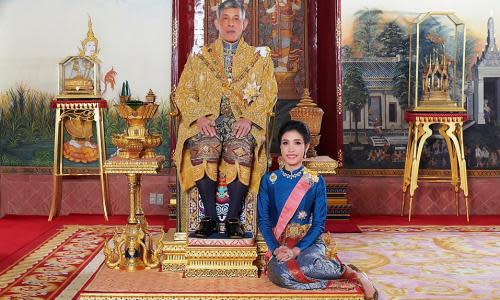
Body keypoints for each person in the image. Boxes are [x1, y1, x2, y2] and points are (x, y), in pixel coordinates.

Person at [174, 0, 278, 239]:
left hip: (242, 122)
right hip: (208, 120)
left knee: (239, 148)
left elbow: (269, 92)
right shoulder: (200, 57)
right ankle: (209, 218)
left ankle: (233, 219)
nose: (231, 24)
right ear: (216, 23)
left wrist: (250, 119)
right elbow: (183, 92)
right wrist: (199, 116)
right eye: (226, 18)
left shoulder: (259, 58)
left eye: (236, 19)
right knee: (202, 146)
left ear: (245, 23)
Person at [257, 120, 378, 299]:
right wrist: (275, 249)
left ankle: (351, 273)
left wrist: (296, 250)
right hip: (280, 242)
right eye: (285, 143)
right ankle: (335, 280)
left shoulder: (315, 181)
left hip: (309, 241)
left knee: (307, 265)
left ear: (306, 146)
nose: (291, 149)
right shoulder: (269, 180)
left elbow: (319, 224)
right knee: (279, 274)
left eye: (297, 143)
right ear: (280, 147)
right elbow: (264, 221)